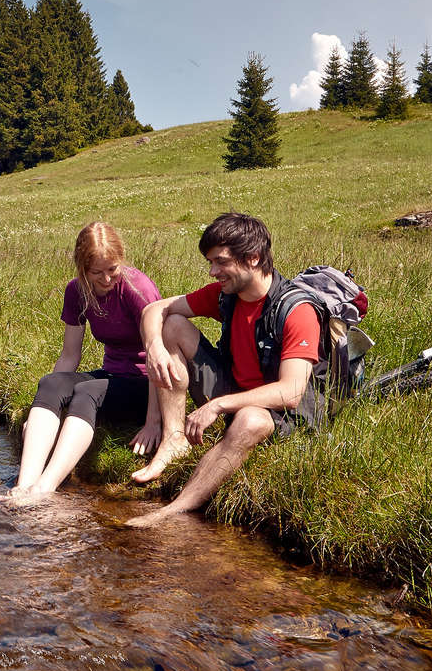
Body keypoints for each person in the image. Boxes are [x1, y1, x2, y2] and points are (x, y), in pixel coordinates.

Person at [126, 212, 320, 526]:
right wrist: (155, 348)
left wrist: (217, 405)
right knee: (172, 325)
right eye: (211, 263)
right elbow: (154, 309)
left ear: (253, 258)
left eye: (221, 262)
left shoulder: (297, 311)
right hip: (234, 387)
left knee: (250, 419)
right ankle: (174, 438)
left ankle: (174, 510)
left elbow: (291, 392)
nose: (214, 271)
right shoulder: (226, 296)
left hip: (280, 410)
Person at [7, 221, 162, 499]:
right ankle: (23, 485)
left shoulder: (137, 290)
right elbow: (69, 356)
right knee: (52, 383)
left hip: (145, 383)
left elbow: (157, 359)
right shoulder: (76, 291)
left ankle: (44, 490)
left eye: (112, 270)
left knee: (87, 392)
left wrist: (153, 422)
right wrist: (47, 410)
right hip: (112, 375)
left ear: (121, 261)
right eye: (96, 273)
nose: (106, 279)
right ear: (82, 269)